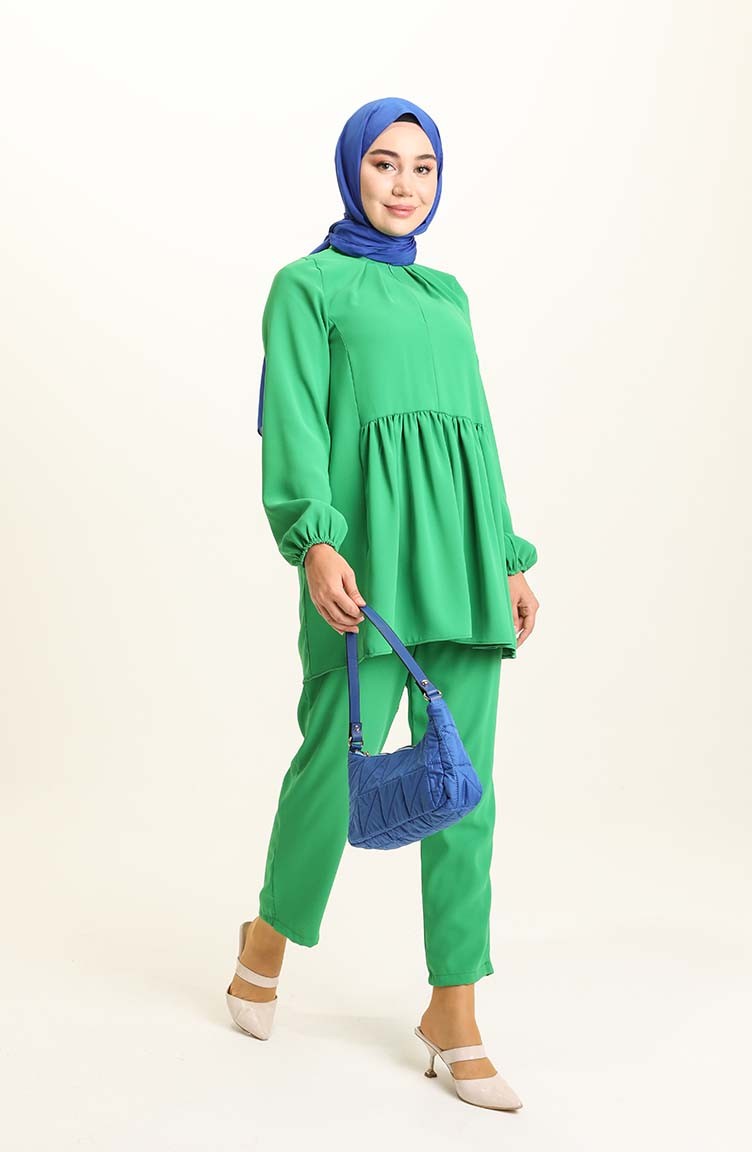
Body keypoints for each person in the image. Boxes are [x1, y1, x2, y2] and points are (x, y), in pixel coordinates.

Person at [225, 97, 540, 1111]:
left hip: (463, 565)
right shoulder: (307, 285)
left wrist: (507, 556)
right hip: (363, 565)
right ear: (351, 169)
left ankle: (455, 1010)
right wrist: (314, 540)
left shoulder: (448, 294)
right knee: (332, 764)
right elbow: (294, 425)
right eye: (385, 164)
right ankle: (266, 939)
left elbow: (475, 431)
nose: (404, 185)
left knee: (466, 791)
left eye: (422, 167)